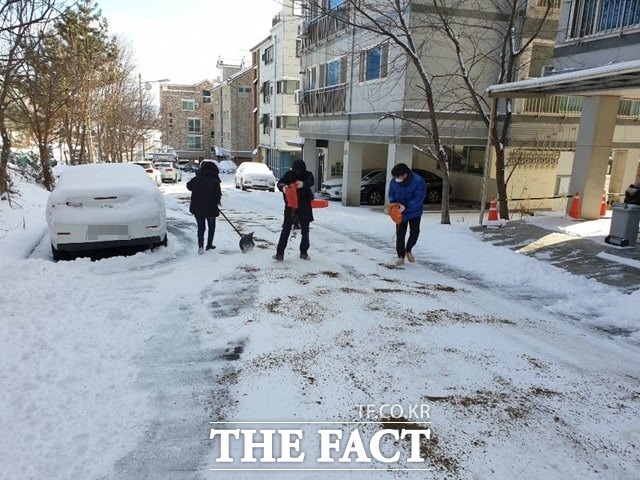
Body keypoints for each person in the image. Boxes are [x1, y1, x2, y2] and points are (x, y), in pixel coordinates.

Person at [273, 159, 315, 261]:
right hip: (290, 207)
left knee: (305, 231)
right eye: (297, 169)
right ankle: (280, 253)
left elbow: (311, 181)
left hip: (304, 207)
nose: (299, 171)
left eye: (301, 169)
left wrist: (304, 184)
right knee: (286, 229)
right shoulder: (289, 175)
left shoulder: (308, 175)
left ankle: (304, 252)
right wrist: (283, 187)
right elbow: (280, 183)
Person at [388, 163, 426, 266]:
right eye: (395, 176)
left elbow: (419, 198)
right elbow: (391, 193)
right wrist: (393, 203)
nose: (396, 178)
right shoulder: (394, 182)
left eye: (398, 176)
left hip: (414, 211)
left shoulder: (418, 181)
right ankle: (401, 256)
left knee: (414, 232)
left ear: (405, 175)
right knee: (400, 234)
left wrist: (406, 206)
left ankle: (408, 249)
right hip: (400, 212)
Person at [186, 160, 222, 254]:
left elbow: (188, 186)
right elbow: (217, 196)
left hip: (197, 208)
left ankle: (200, 246)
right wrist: (216, 203)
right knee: (211, 227)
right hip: (210, 209)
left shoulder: (197, 178)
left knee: (201, 227)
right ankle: (209, 245)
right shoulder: (215, 181)